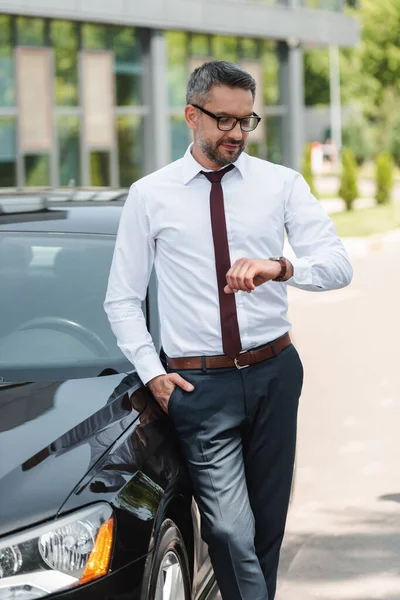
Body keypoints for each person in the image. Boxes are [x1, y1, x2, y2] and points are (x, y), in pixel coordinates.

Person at [104, 60, 352, 600]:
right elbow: (121, 300)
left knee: (264, 530)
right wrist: (154, 375)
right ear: (191, 116)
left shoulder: (280, 183)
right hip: (199, 387)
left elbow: (338, 265)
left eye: (247, 121)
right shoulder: (150, 195)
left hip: (274, 373)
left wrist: (281, 267)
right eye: (225, 120)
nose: (237, 134)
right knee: (226, 530)